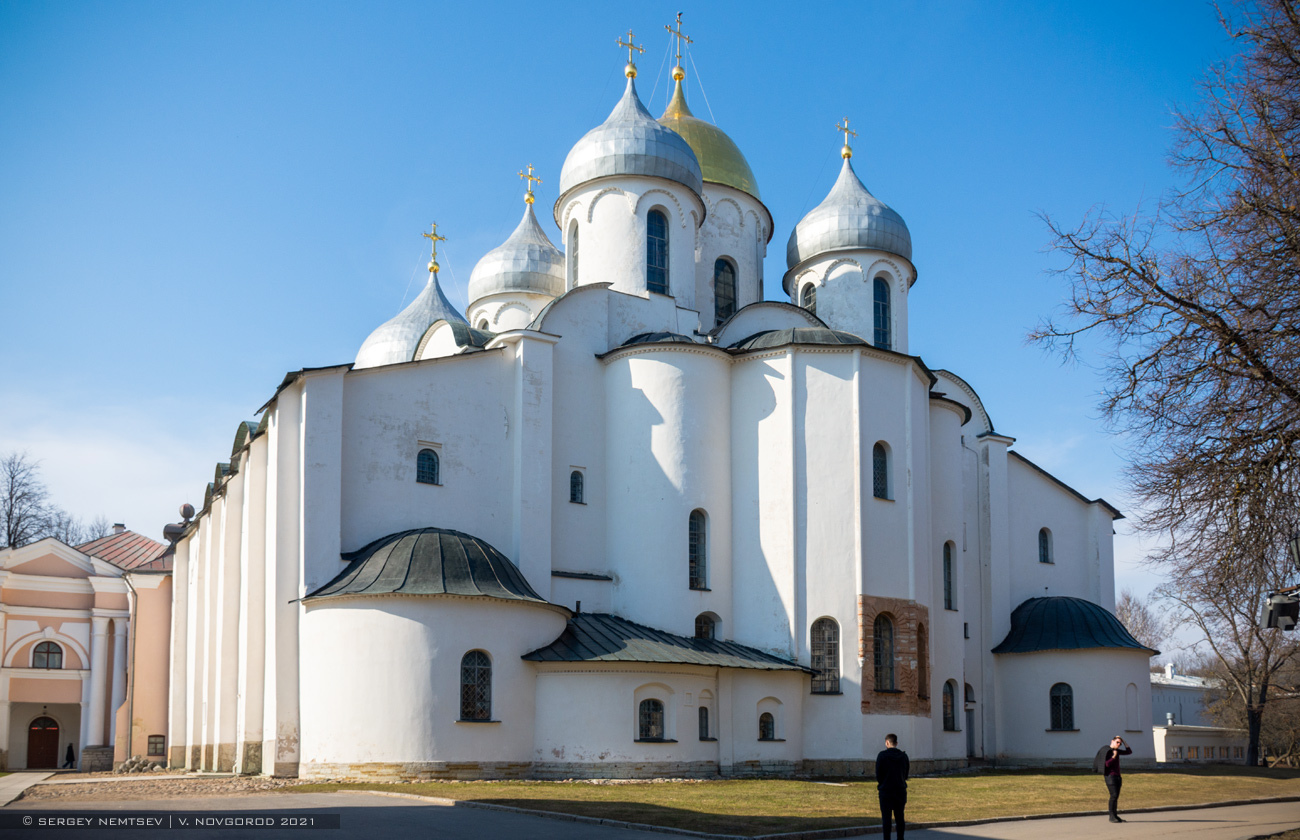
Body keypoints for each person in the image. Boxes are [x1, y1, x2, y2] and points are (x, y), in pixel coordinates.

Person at [876, 733, 909, 839]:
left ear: (887, 742)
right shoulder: (904, 756)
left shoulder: (882, 756)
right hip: (900, 790)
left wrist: (883, 783)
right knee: (900, 817)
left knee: (886, 818)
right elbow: (906, 774)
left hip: (886, 791)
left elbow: (878, 774)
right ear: (896, 743)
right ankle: (900, 838)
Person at [1103, 735, 1132, 823]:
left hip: (1117, 776)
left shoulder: (1117, 751)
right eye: (1117, 742)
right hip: (1110, 776)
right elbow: (1106, 764)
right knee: (1113, 795)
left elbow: (1129, 751)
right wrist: (1113, 757)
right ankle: (1111, 816)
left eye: (1120, 743)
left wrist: (1124, 741)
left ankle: (1115, 815)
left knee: (1116, 796)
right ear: (1112, 741)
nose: (1119, 744)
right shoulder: (1107, 751)